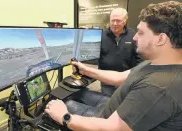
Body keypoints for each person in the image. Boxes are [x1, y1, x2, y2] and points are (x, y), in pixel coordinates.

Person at [45, 1, 182, 130]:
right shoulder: (155, 63)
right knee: (77, 92)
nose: (135, 38)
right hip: (113, 106)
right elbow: (119, 77)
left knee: (56, 105)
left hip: (105, 120)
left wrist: (64, 116)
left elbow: (113, 128)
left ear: (161, 39)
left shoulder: (158, 87)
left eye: (140, 33)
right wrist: (86, 70)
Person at [99, 7, 143, 96]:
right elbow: (94, 56)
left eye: (118, 21)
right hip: (107, 80)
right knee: (107, 103)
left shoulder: (132, 34)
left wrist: (136, 75)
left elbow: (139, 56)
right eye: (112, 20)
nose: (115, 23)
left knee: (124, 103)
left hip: (126, 79)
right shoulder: (101, 35)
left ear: (125, 21)